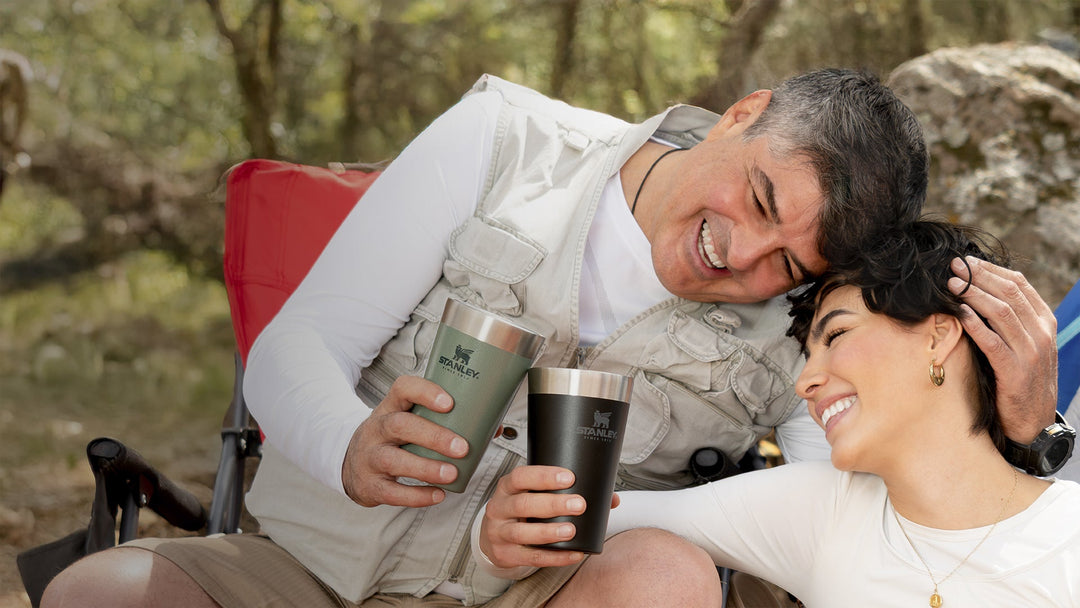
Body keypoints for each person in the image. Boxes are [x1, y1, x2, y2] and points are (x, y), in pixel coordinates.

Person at [42, 69, 1060, 608]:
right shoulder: (505, 140)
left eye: (785, 265)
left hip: (537, 591)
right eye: (756, 197)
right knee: (99, 593)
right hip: (309, 568)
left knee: (668, 578)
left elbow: (861, 495)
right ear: (741, 113)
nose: (740, 256)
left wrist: (1024, 432)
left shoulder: (800, 328)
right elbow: (295, 346)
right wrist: (345, 445)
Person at [476, 220, 1080, 606]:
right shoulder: (820, 509)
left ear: (938, 336)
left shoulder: (1067, 537)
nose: (806, 381)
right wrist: (496, 530)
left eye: (836, 334)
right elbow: (577, 515)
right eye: (807, 352)